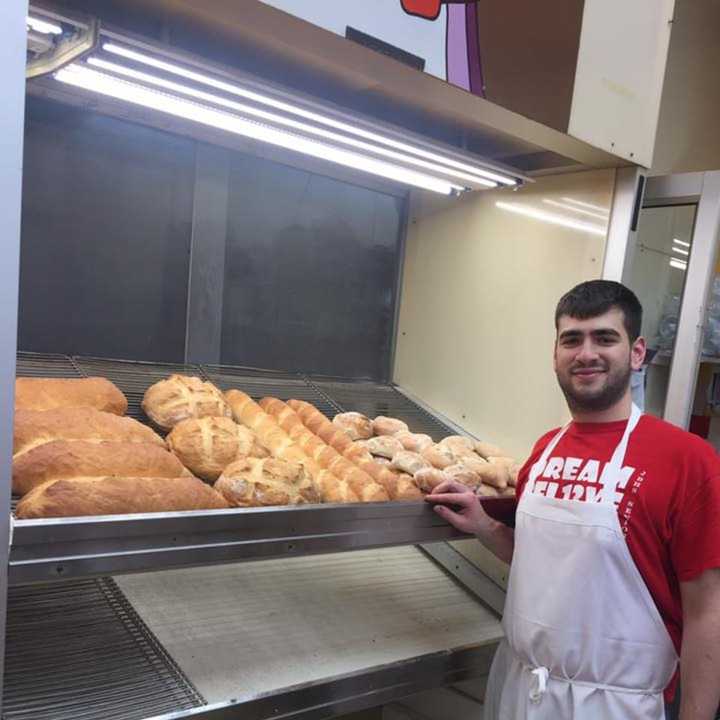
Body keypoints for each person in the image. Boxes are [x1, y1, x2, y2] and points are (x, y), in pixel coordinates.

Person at [427, 280, 720, 720]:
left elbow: (706, 612)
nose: (586, 354)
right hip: (518, 686)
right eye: (572, 339)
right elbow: (543, 562)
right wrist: (485, 525)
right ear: (556, 355)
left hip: (617, 703)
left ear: (637, 352)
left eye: (605, 337)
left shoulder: (687, 460)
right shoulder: (545, 450)